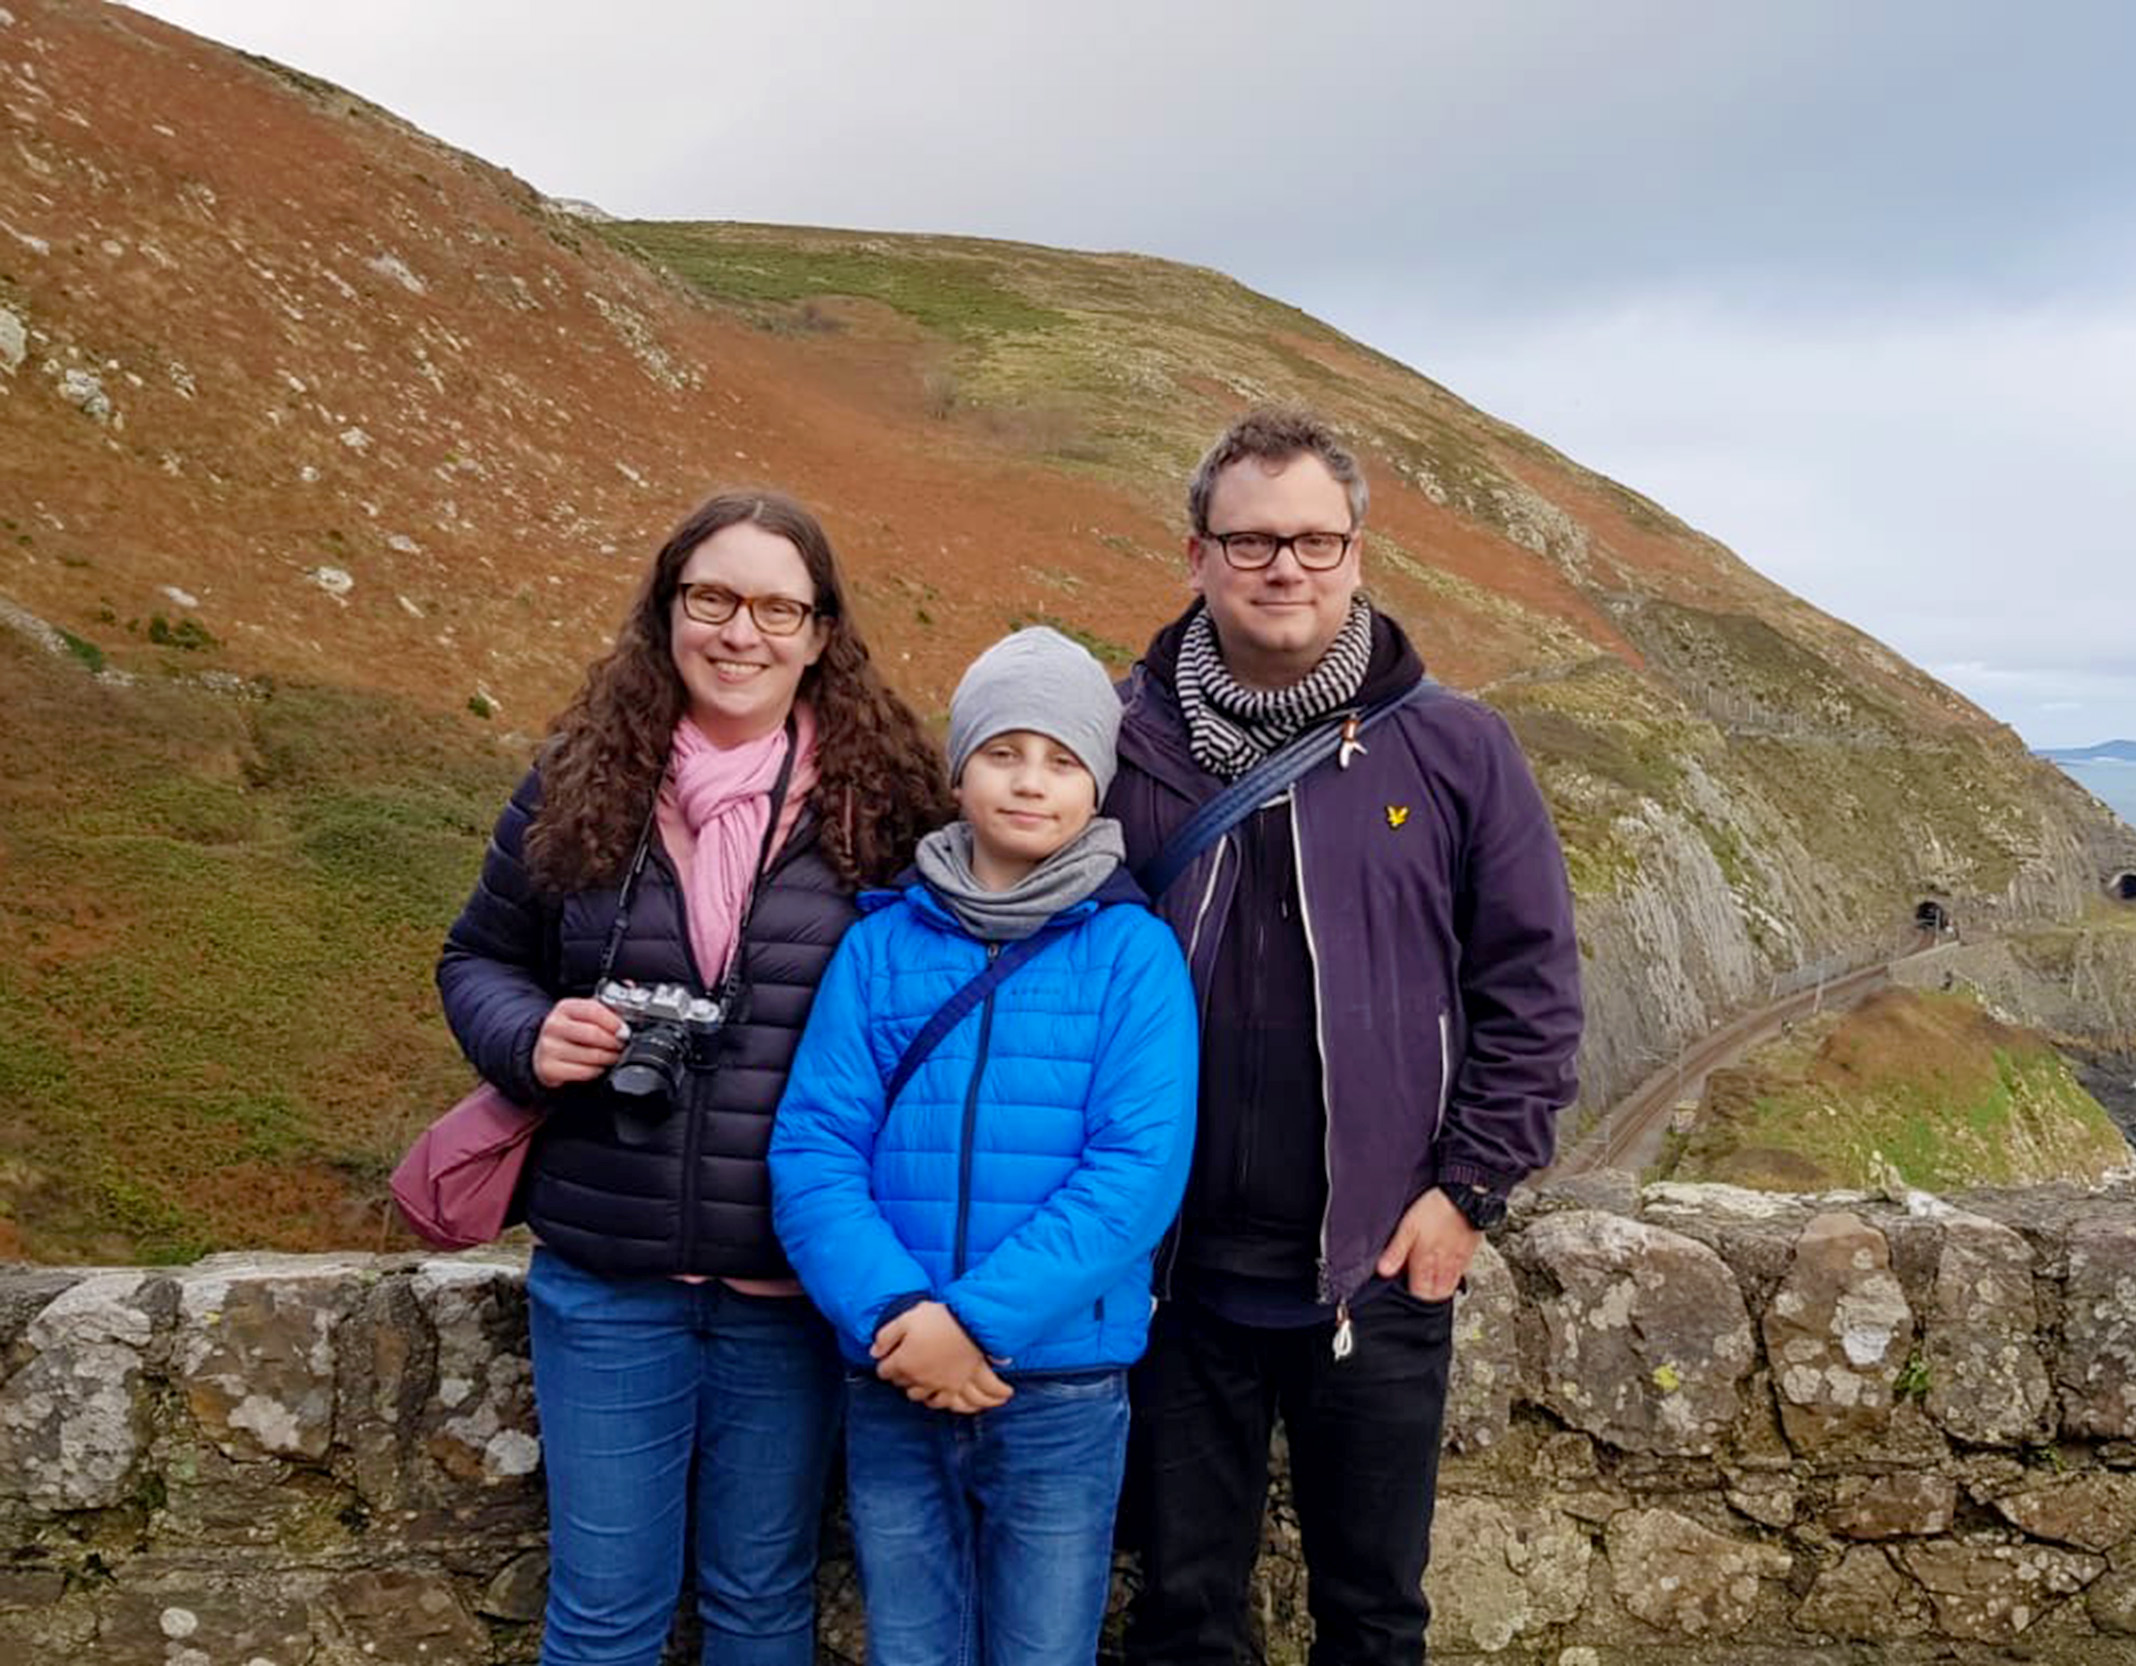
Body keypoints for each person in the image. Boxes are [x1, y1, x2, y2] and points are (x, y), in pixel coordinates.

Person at [436, 489, 948, 1666]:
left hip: (792, 1277)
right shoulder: (577, 779)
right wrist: (529, 1035)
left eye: (779, 607)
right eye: (712, 598)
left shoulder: (886, 807)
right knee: (606, 1611)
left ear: (823, 632)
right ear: (666, 611)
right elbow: (479, 956)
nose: (741, 632)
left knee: (760, 1604)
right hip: (608, 1276)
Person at [1108, 408, 1583, 1666]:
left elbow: (1531, 986)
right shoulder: (1114, 744)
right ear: (1197, 554)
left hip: (1375, 1270)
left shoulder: (1458, 746)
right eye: (1253, 538)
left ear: (1358, 552)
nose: (1286, 568)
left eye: (1315, 540)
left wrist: (1468, 1190)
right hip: (1166, 1275)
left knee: (1373, 1619)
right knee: (1179, 1618)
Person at [770, 625, 1198, 1666]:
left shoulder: (1133, 953)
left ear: (1096, 785)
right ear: (960, 767)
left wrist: (972, 1320)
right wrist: (898, 1312)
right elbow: (813, 1149)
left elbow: (1134, 1174)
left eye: (1061, 760)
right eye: (1004, 751)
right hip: (894, 1369)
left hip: (1059, 1381)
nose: (1029, 782)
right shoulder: (878, 946)